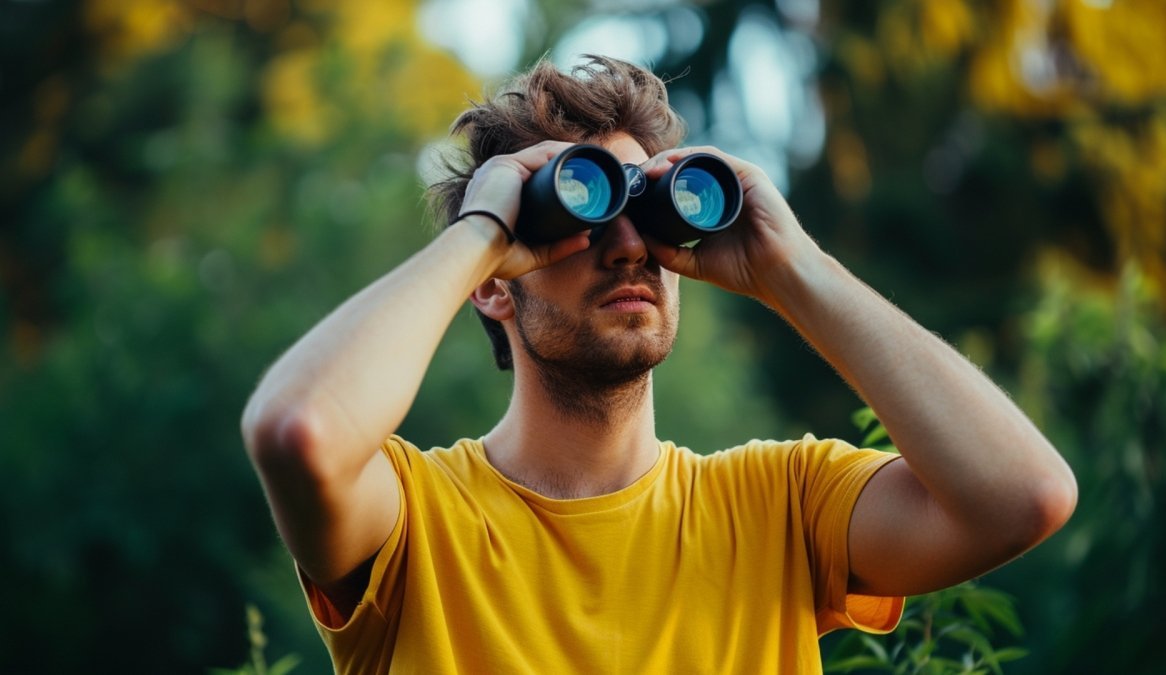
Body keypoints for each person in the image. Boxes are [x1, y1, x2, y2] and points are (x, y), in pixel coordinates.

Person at [241, 55, 1077, 673]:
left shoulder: (778, 508)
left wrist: (796, 268)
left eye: (646, 206)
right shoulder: (416, 523)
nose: (631, 244)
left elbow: (1024, 495)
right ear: (494, 288)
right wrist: (483, 232)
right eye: (582, 214)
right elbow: (297, 429)